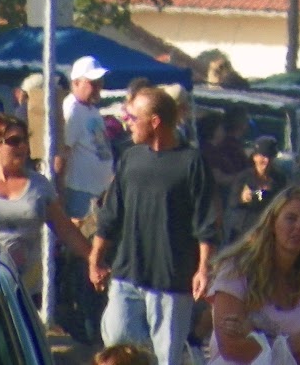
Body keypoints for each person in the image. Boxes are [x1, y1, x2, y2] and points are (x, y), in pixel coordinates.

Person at [90, 86, 220, 365]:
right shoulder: (130, 158)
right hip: (127, 275)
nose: (128, 124)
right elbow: (111, 214)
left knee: (164, 359)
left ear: (155, 121)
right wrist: (96, 259)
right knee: (117, 350)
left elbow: (206, 222)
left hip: (170, 280)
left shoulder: (191, 162)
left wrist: (203, 269)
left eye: (134, 118)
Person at [208, 185, 300, 365]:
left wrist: (256, 336)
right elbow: (232, 348)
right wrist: (290, 346)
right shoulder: (236, 270)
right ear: (272, 222)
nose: (299, 226)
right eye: (291, 218)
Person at [0, 112, 91, 284]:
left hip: (27, 285)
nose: (22, 147)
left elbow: (66, 231)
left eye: (25, 141)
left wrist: (94, 259)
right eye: (14, 141)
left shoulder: (40, 185)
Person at [62, 56, 115, 222]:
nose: (99, 87)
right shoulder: (73, 110)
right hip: (80, 191)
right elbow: (63, 151)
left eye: (100, 82)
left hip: (99, 191)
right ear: (76, 83)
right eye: (93, 83)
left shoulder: (90, 109)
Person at [225, 137, 285, 243]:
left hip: (270, 231)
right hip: (244, 231)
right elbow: (233, 202)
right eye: (263, 156)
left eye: (269, 157)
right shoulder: (243, 177)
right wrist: (243, 198)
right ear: (255, 157)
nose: (266, 161)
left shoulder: (279, 178)